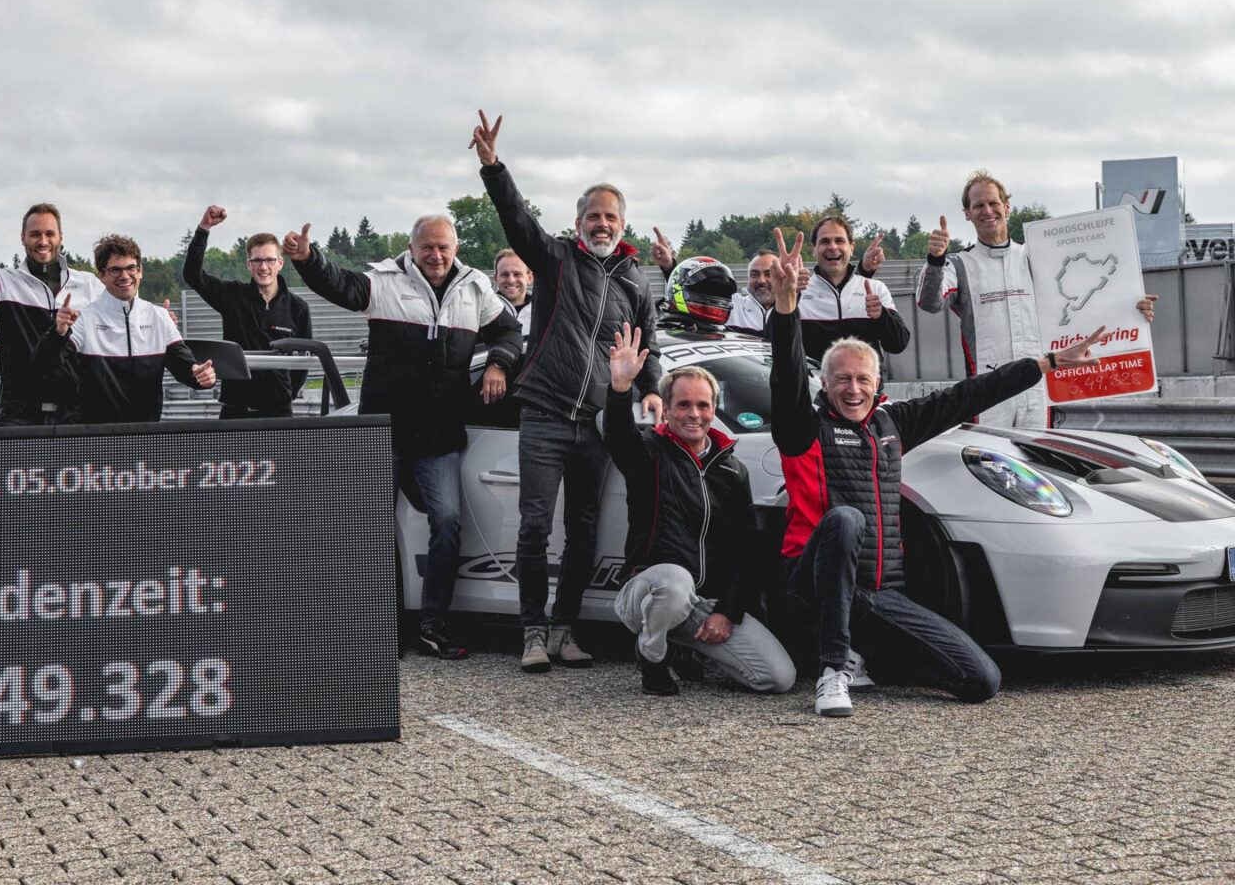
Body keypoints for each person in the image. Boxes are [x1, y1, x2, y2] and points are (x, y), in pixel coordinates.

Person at [765, 230, 1107, 716]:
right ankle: (832, 668)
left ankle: (875, 657)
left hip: (878, 596)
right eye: (841, 379)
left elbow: (968, 395)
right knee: (844, 520)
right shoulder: (805, 428)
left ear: (878, 383)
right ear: (824, 382)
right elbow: (784, 377)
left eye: (863, 379)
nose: (853, 388)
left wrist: (1046, 364)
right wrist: (785, 309)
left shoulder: (892, 425)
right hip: (812, 587)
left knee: (979, 681)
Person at [470, 109, 663, 673]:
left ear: (622, 224)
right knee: (534, 526)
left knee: (582, 530)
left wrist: (650, 388)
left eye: (610, 217)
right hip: (547, 413)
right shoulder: (554, 260)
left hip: (601, 422)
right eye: (593, 215)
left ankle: (565, 629)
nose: (601, 224)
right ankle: (531, 631)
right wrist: (493, 167)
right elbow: (515, 218)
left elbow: (647, 342)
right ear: (578, 221)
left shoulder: (635, 280)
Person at [281, 215, 522, 660]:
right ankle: (373, 627)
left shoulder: (474, 288)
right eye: (427, 247)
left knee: (447, 524)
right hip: (384, 431)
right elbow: (342, 285)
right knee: (368, 530)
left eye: (443, 248)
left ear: (456, 248)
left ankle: (433, 625)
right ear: (412, 248)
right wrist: (308, 259)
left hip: (439, 436)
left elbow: (509, 330)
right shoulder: (386, 281)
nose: (436, 256)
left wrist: (498, 364)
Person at [604, 324, 796, 696]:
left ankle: (686, 646)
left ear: (714, 409)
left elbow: (747, 549)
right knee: (675, 583)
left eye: (703, 405)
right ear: (668, 410)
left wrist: (727, 612)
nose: (694, 414)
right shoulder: (649, 453)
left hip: (702, 605)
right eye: (683, 405)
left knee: (778, 678)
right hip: (648, 592)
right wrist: (620, 389)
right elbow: (618, 438)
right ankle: (653, 654)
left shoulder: (732, 470)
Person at [916, 170, 1158, 427]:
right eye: (978, 206)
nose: (987, 211)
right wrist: (935, 259)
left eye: (993, 203)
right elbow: (929, 303)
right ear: (967, 213)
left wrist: (1132, 308)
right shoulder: (958, 263)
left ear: (1007, 206)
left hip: (1039, 387)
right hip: (985, 392)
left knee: (1036, 463)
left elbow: (1085, 299)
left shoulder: (1038, 257)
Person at [0, 186, 101, 426]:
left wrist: (159, 318)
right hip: (18, 414)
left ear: (61, 237)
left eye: (50, 234)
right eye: (35, 234)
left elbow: (118, 320)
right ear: (23, 238)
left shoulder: (89, 285)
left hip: (73, 412)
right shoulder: (6, 282)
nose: (43, 241)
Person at [34, 235, 215, 423]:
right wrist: (58, 334)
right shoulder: (85, 319)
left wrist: (199, 374)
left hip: (145, 437)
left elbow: (184, 366)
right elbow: (44, 367)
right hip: (96, 439)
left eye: (131, 268)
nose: (125, 276)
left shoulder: (159, 317)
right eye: (115, 270)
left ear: (140, 271)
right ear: (101, 275)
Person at [182, 206, 312, 418]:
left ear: (280, 263)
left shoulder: (298, 308)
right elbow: (192, 275)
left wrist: (287, 394)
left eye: (269, 260)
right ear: (248, 265)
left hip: (279, 411)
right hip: (236, 409)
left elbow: (303, 361)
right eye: (257, 260)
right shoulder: (232, 296)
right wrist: (204, 228)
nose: (263, 267)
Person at [798, 216, 909, 373]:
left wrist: (881, 316)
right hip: (815, 391)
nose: (832, 247)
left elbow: (898, 344)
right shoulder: (799, 293)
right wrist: (786, 298)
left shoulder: (875, 288)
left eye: (839, 241)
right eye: (824, 241)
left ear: (851, 247)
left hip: (867, 393)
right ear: (813, 249)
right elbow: (776, 346)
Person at [493, 248, 535, 337]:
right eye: (505, 274)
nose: (511, 280)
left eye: (517, 274)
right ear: (496, 279)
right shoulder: (483, 311)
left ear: (530, 278)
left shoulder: (544, 312)